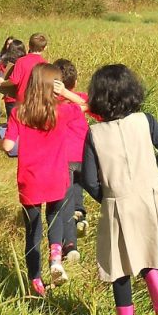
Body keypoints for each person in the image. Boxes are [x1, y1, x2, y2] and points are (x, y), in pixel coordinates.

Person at [81, 64, 158, 315]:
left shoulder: (94, 134)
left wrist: (107, 196)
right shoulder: (146, 121)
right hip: (150, 196)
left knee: (120, 268)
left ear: (98, 97)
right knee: (147, 254)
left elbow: (88, 180)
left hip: (117, 200)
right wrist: (149, 169)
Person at [0, 63, 87, 296]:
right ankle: (56, 259)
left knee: (33, 232)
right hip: (56, 178)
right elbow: (87, 106)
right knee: (56, 218)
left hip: (30, 181)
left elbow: (8, 145)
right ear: (54, 87)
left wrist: (1, 141)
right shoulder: (62, 111)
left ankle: (36, 282)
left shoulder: (19, 112)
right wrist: (67, 94)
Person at [52, 58, 90, 263]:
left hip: (63, 157)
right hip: (84, 155)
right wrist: (70, 95)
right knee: (77, 189)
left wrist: (62, 94)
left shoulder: (52, 104)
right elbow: (94, 106)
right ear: (75, 83)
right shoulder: (80, 98)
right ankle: (81, 215)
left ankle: (70, 245)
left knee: (64, 201)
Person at [0, 32, 48, 106]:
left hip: (21, 101)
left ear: (28, 45)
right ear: (44, 48)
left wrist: (2, 83)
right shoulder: (45, 64)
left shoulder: (21, 61)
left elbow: (14, 81)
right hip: (37, 101)